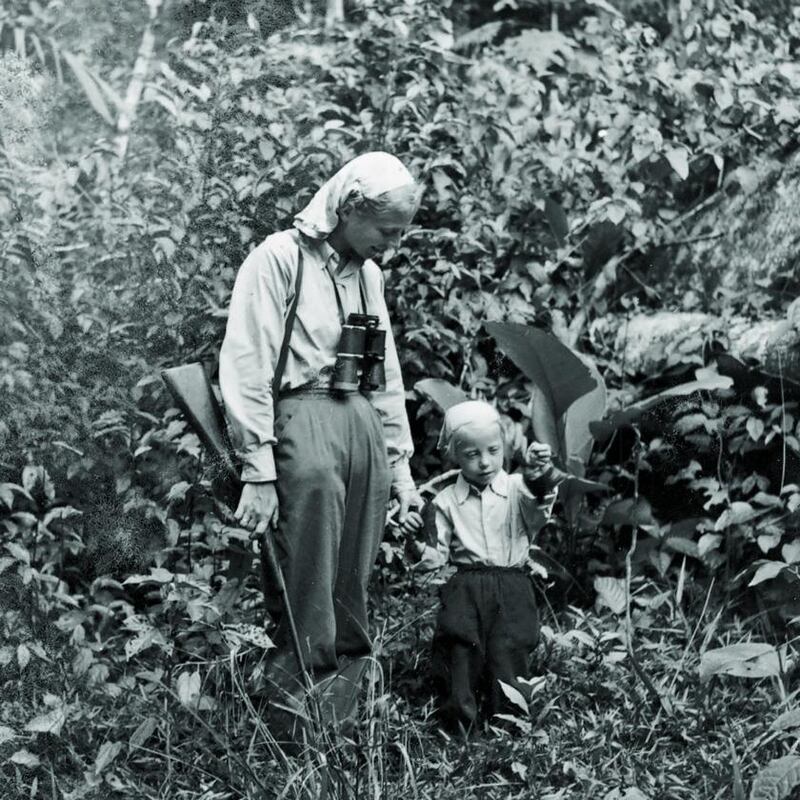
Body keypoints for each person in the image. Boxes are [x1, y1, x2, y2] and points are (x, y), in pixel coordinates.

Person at [219, 152, 424, 706]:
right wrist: (258, 469)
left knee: (352, 579)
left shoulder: (369, 276)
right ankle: (296, 715)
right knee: (305, 579)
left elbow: (385, 374)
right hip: (301, 424)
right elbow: (247, 362)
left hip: (360, 425)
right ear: (351, 208)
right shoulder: (279, 259)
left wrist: (400, 469)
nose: (393, 244)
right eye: (387, 231)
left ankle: (345, 714)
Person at [401, 400, 563, 731]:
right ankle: (459, 727)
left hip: (512, 584)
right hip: (465, 586)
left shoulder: (518, 489)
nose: (485, 462)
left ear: (504, 445)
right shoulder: (445, 501)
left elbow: (538, 510)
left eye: (492, 450)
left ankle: (511, 725)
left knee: (510, 650)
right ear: (453, 456)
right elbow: (436, 555)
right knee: (460, 651)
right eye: (472, 454)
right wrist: (416, 543)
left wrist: (536, 476)